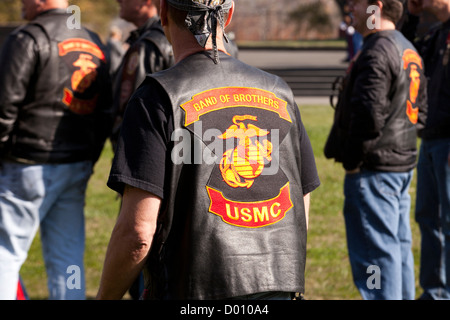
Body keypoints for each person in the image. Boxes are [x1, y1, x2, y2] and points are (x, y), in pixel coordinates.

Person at [97, 0, 320, 300]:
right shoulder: (278, 90)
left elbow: (138, 233)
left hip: (192, 291)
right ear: (229, 14)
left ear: (163, 12)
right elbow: (300, 201)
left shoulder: (156, 97)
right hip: (275, 287)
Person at [0, 0, 113, 300]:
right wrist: (89, 159)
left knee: (5, 254)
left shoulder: (27, 38)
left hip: (25, 164)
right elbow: (105, 112)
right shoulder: (93, 41)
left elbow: (3, 109)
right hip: (74, 164)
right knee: (67, 259)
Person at [324, 0, 427, 299]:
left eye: (356, 3)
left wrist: (354, 162)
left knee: (374, 259)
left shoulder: (377, 50)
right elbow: (422, 112)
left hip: (374, 171)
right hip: (399, 166)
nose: (350, 9)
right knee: (396, 249)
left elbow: (369, 115)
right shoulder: (407, 47)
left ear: (376, 7)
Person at [405, 0, 450, 300]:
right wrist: (411, 16)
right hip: (430, 138)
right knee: (427, 217)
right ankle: (434, 292)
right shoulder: (437, 34)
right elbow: (403, 55)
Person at [111, 0, 174, 149]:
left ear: (146, 2)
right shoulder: (164, 36)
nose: (118, 1)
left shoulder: (149, 44)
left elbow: (133, 111)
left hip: (140, 150)